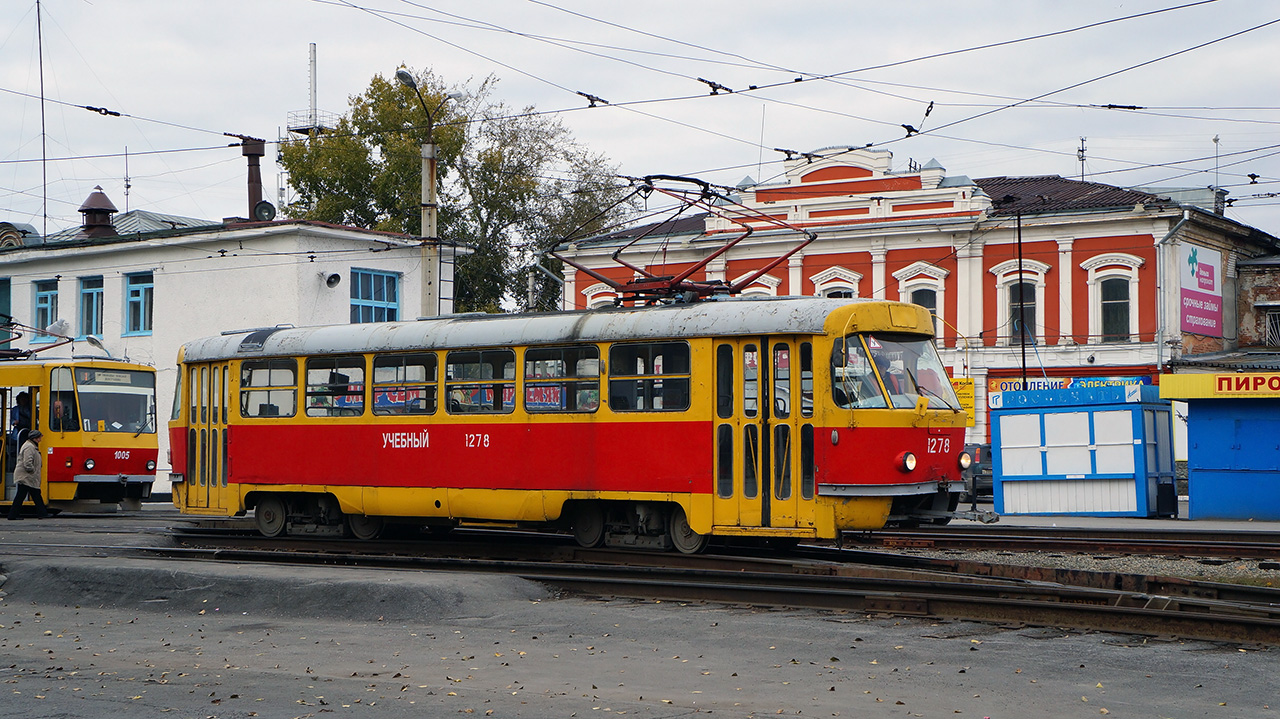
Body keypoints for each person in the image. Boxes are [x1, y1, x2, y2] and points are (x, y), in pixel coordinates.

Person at [8, 429, 48, 520]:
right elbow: (27, 462)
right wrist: (32, 470)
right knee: (23, 495)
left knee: (35, 494)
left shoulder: (31, 446)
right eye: (39, 437)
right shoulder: (29, 447)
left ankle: (42, 513)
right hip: (26, 476)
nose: (41, 439)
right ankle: (13, 515)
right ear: (35, 438)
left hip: (28, 476)